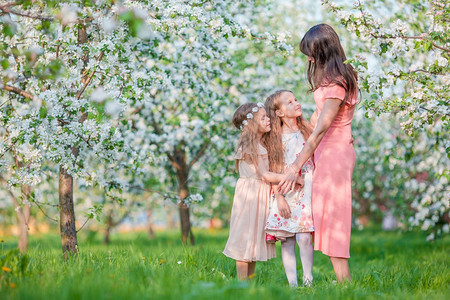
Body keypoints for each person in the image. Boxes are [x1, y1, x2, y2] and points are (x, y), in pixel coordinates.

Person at [278, 24, 359, 283]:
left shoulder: (336, 84)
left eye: (312, 54)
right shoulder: (330, 80)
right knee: (324, 214)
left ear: (324, 51)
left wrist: (295, 165)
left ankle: (345, 284)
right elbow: (315, 123)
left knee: (335, 215)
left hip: (334, 156)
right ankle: (340, 282)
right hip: (327, 151)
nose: (310, 60)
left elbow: (322, 128)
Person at [223, 102, 303, 280]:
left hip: (260, 194)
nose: (268, 120)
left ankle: (248, 283)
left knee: (252, 241)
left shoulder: (262, 144)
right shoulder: (249, 147)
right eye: (263, 118)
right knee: (244, 241)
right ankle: (241, 284)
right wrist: (292, 178)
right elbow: (264, 174)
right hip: (249, 196)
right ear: (251, 124)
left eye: (267, 116)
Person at [264, 90, 315, 287]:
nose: (296, 103)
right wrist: (279, 197)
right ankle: (293, 285)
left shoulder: (308, 131)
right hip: (284, 191)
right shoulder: (275, 139)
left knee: (303, 237)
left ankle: (308, 280)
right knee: (287, 240)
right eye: (289, 102)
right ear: (279, 113)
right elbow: (272, 169)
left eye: (295, 99)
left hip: (305, 191)